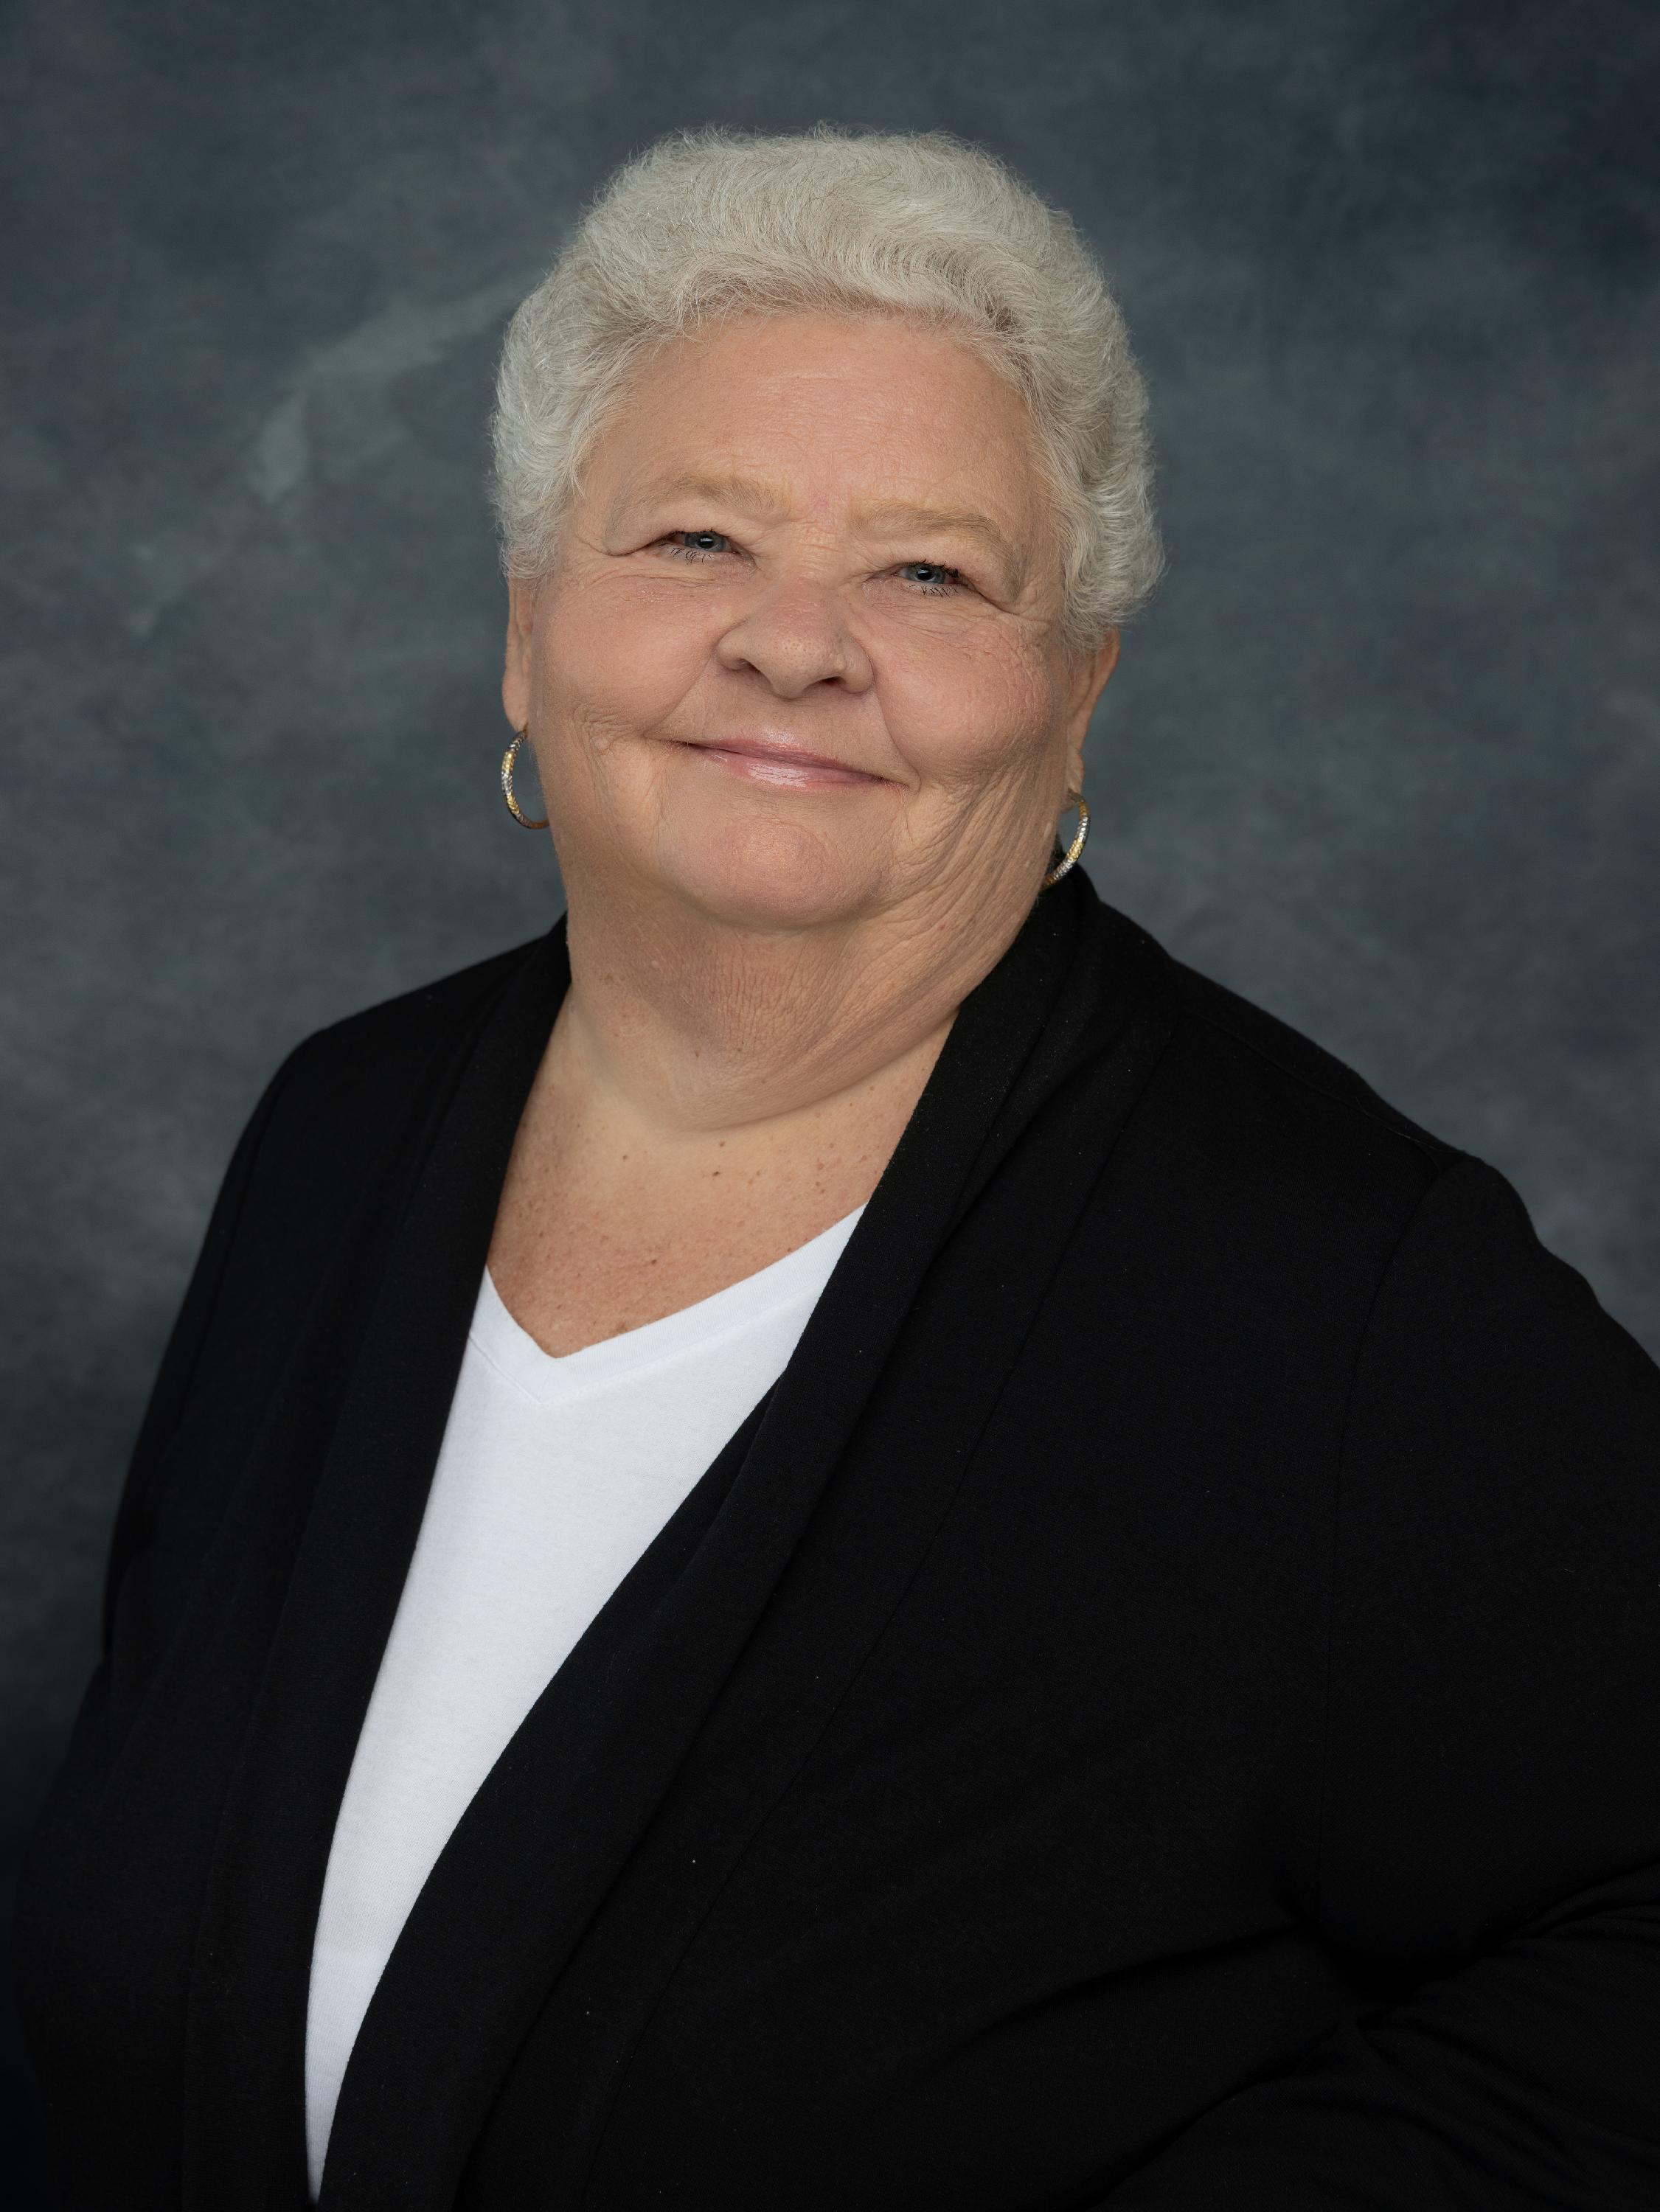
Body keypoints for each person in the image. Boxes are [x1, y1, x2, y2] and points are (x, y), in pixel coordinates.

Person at [14, 125, 1660, 2212]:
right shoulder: (347, 1132)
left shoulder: (1335, 1293)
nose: (795, 644)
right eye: (695, 539)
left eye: (927, 571)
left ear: (1074, 698)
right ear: (529, 630)